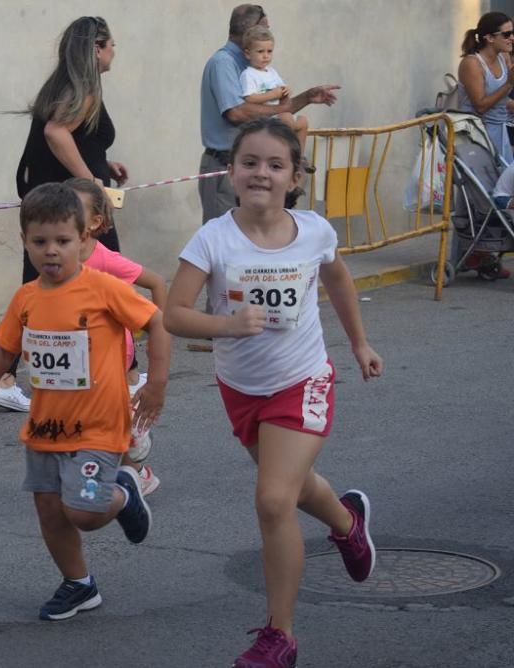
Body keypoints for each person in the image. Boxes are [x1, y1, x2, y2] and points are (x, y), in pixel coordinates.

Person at [163, 118, 382, 667]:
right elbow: (174, 316)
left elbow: (337, 280)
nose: (262, 173)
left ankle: (279, 636)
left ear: (294, 177)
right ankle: (347, 523)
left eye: (275, 165)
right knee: (295, 487)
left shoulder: (313, 231)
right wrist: (227, 326)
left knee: (273, 499)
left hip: (303, 378)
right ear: (231, 171)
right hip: (241, 388)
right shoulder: (212, 238)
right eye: (251, 163)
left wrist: (358, 343)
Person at [0, 183, 170, 621]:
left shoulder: (103, 288)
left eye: (62, 241)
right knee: (50, 509)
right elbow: (5, 346)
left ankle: (123, 496)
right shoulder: (26, 297)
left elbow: (156, 322)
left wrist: (157, 384)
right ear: (25, 242)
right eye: (40, 242)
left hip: (98, 425)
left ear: (83, 240)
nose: (51, 251)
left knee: (84, 511)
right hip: (45, 427)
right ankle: (79, 585)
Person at [0, 16, 129, 412]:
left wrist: (106, 164)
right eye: (111, 44)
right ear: (97, 48)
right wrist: (93, 184)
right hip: (75, 208)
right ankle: (128, 374)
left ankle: (6, 376)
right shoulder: (82, 90)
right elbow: (56, 133)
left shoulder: (65, 86)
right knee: (111, 275)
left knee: (37, 286)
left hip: (53, 201)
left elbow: (75, 139)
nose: (114, 52)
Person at [66, 178, 167, 495]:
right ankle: (127, 464)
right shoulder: (55, 254)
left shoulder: (104, 259)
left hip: (111, 356)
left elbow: (157, 282)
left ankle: (132, 456)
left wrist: (159, 330)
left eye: (73, 210)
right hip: (74, 356)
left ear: (95, 222)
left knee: (102, 415)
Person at [199, 4, 339, 224]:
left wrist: (306, 97)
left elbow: (269, 109)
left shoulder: (254, 64)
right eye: (265, 27)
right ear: (250, 31)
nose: (269, 34)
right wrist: (281, 108)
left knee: (254, 237)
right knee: (224, 241)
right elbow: (236, 113)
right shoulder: (224, 63)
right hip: (224, 167)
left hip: (249, 165)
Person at [238, 25, 313, 172]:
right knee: (287, 119)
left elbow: (281, 88)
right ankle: (285, 156)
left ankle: (298, 157)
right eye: (260, 52)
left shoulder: (271, 72)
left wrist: (286, 90)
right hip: (265, 117)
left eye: (269, 51)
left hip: (278, 113)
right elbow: (249, 98)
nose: (266, 56)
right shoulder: (248, 74)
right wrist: (273, 94)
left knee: (303, 121)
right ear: (247, 53)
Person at [458, 11, 514, 165]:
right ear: (489, 38)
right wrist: (509, 83)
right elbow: (481, 106)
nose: (512, 38)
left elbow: (502, 100)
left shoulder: (503, 57)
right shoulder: (472, 63)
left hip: (502, 132)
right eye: (507, 34)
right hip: (478, 136)